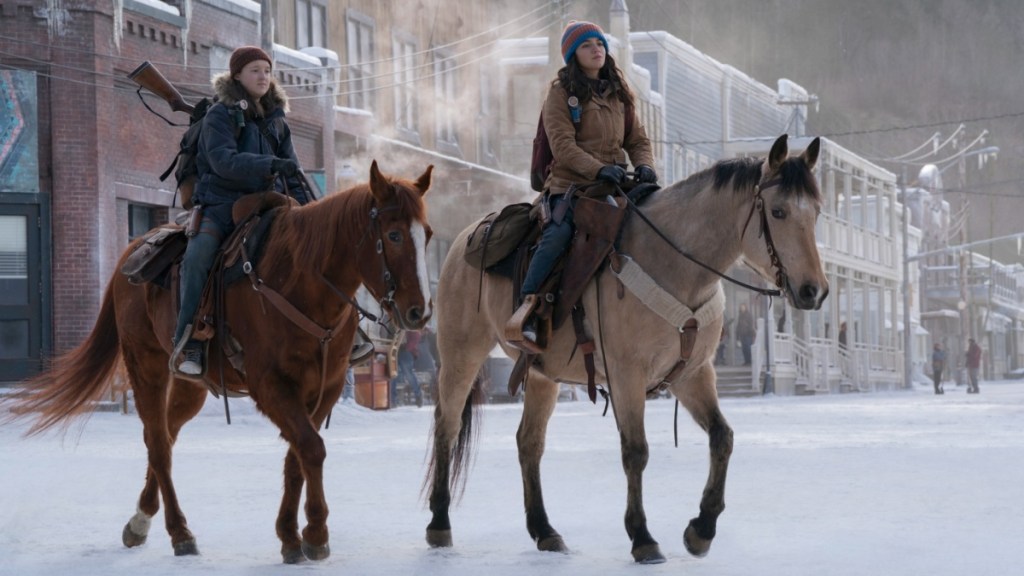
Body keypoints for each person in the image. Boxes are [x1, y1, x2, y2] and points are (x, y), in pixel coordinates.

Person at [508, 20, 656, 349]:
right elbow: (563, 146)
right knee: (558, 234)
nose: (597, 49)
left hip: (616, 184)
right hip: (570, 185)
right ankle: (526, 311)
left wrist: (645, 165)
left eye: (600, 43)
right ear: (574, 54)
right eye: (588, 45)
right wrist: (599, 169)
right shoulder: (560, 94)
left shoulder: (620, 94)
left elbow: (638, 140)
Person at [390, 330, 423, 407]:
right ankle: (392, 400)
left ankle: (418, 395)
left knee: (409, 375)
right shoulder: (393, 322)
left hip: (405, 352)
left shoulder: (407, 322)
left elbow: (416, 336)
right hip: (393, 350)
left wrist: (407, 347)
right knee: (392, 375)